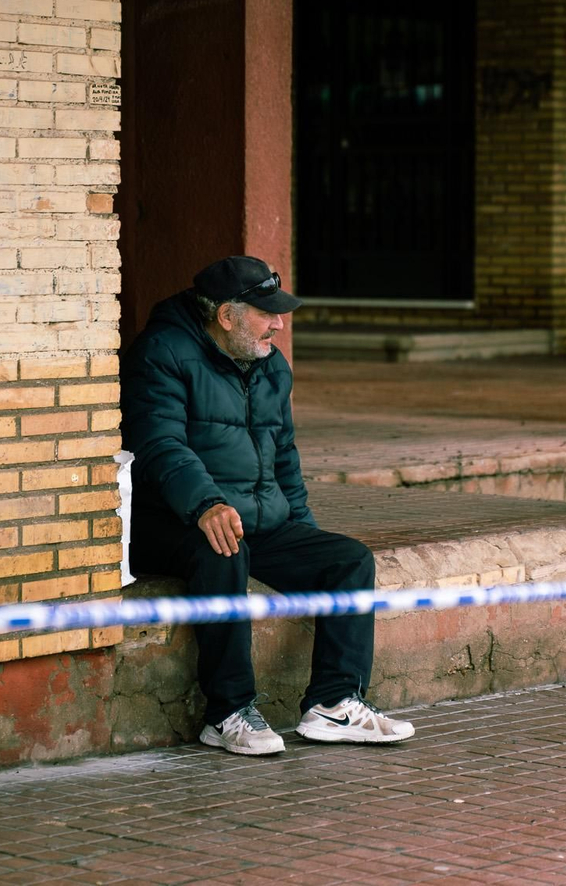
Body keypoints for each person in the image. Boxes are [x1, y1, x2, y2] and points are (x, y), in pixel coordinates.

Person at [123, 255, 416, 755]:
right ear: (226, 316)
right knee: (223, 550)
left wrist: (304, 532)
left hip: (254, 519)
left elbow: (284, 457)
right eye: (267, 314)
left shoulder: (272, 365)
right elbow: (159, 444)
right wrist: (206, 503)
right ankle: (227, 712)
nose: (279, 324)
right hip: (174, 518)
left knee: (347, 561)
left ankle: (333, 704)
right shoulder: (162, 353)